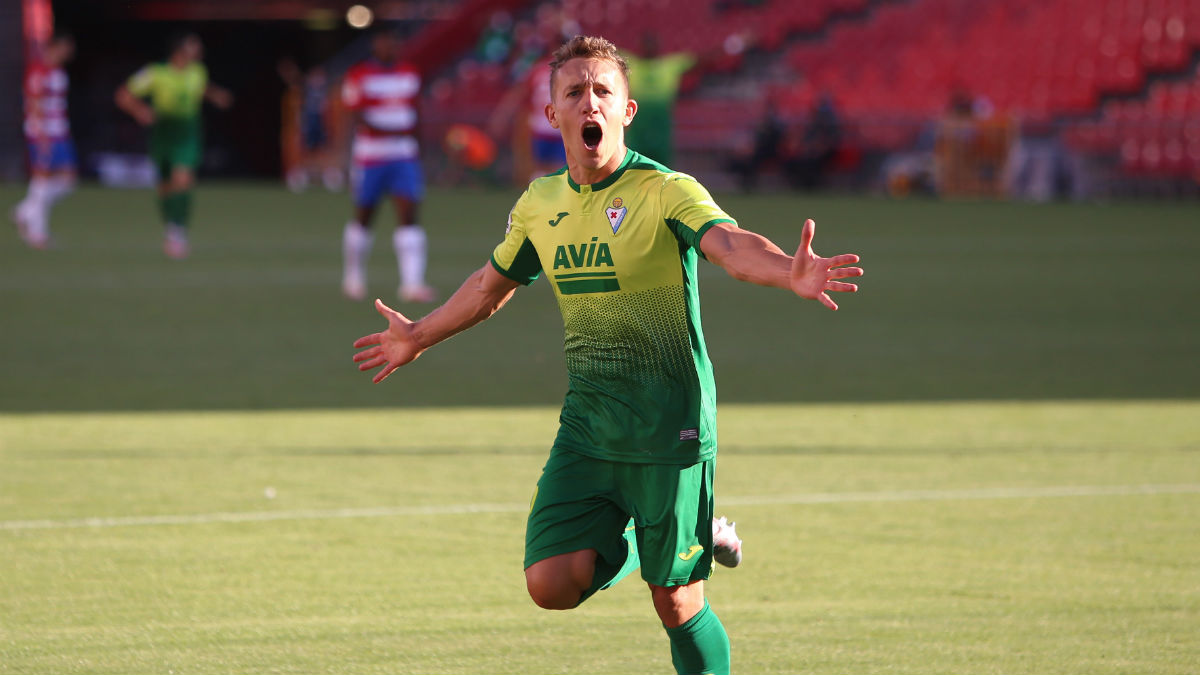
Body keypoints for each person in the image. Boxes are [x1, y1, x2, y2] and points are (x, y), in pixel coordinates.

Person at [352, 36, 863, 675]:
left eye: (603, 91)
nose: (589, 101)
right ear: (553, 115)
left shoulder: (665, 189)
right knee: (548, 584)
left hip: (667, 425)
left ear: (626, 111)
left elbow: (729, 245)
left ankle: (685, 547)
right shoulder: (540, 205)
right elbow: (490, 286)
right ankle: (675, 537)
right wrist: (417, 334)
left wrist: (788, 270)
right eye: (574, 92)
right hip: (589, 426)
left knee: (675, 602)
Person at [115, 33, 232, 259]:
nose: (198, 53)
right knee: (166, 185)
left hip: (187, 131)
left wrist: (217, 96)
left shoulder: (198, 71)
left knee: (183, 179)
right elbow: (123, 95)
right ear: (179, 52)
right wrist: (140, 110)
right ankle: (171, 226)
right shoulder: (156, 73)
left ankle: (179, 232)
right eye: (193, 48)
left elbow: (202, 87)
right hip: (163, 131)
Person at [340, 28, 435, 303]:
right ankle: (353, 277)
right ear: (375, 44)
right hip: (371, 156)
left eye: (394, 42)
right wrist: (393, 132)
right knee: (365, 215)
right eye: (385, 42)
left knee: (409, 214)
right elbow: (357, 115)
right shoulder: (359, 75)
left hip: (404, 156)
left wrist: (418, 147)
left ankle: (412, 283)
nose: (390, 47)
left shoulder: (409, 73)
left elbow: (415, 114)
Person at [13, 33, 76, 249]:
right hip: (43, 132)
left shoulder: (59, 71)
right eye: (65, 47)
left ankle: (25, 211)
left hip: (60, 131)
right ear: (54, 47)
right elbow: (34, 103)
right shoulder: (38, 71)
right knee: (42, 179)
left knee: (68, 181)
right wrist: (41, 135)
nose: (68, 52)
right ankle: (37, 232)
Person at [622, 34, 695, 166]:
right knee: (634, 164)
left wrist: (733, 45)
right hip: (638, 124)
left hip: (661, 124)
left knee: (662, 167)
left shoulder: (669, 66)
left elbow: (700, 60)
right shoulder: (631, 64)